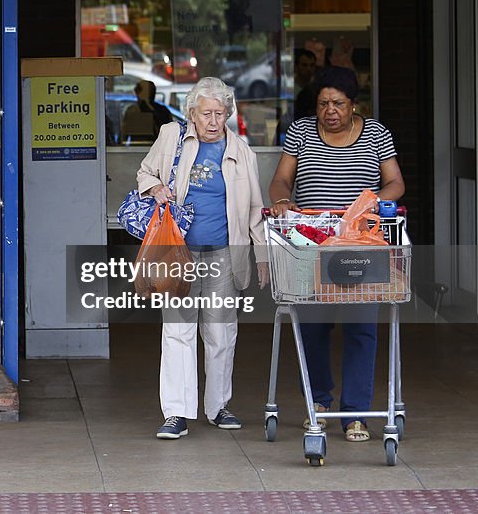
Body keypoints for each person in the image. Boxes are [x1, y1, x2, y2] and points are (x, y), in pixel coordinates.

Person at [268, 65, 405, 442]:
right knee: (313, 324)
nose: (330, 110)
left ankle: (357, 414)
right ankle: (321, 403)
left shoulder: (376, 134)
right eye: (323, 103)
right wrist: (282, 198)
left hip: (362, 242)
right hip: (313, 244)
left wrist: (374, 203)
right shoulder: (301, 132)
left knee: (362, 326)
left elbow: (395, 182)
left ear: (353, 105)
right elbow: (281, 178)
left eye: (338, 104)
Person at [136, 77, 269, 439]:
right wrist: (157, 187)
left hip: (224, 253)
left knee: (221, 332)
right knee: (178, 330)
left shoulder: (242, 152)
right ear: (191, 112)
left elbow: (255, 209)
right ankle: (176, 413)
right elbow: (144, 173)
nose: (213, 121)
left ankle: (218, 407)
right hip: (178, 252)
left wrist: (262, 256)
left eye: (220, 113)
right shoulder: (171, 136)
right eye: (206, 113)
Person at [292, 49, 318, 120]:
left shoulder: (319, 86)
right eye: (304, 65)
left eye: (312, 65)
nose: (308, 69)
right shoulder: (288, 88)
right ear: (296, 67)